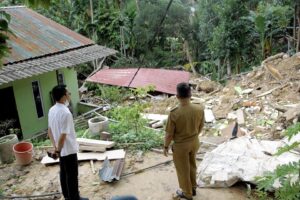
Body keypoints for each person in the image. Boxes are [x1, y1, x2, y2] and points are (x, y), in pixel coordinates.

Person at [164, 82, 204, 200]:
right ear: (190, 94)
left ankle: (187, 193)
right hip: (195, 142)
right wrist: (194, 135)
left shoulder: (174, 113)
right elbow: (201, 126)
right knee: (192, 165)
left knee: (183, 169)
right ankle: (193, 187)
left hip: (181, 146)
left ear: (177, 96)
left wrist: (166, 146)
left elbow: (169, 134)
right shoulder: (199, 108)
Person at [48, 85, 88, 200]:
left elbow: (50, 131)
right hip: (68, 149)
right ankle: (74, 198)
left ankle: (67, 196)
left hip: (60, 149)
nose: (69, 95)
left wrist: (55, 148)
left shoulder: (52, 110)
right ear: (63, 96)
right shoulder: (66, 113)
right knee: (72, 175)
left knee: (63, 173)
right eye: (68, 93)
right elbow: (63, 135)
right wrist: (57, 150)